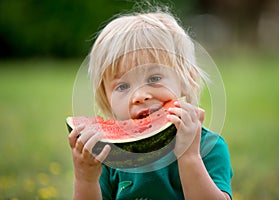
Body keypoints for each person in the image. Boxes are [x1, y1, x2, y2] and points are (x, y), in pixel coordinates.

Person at [68, 6, 233, 200]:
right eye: (122, 86)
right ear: (106, 98)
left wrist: (189, 156)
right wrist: (86, 180)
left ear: (185, 80)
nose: (140, 95)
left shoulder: (209, 147)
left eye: (154, 78)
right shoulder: (108, 155)